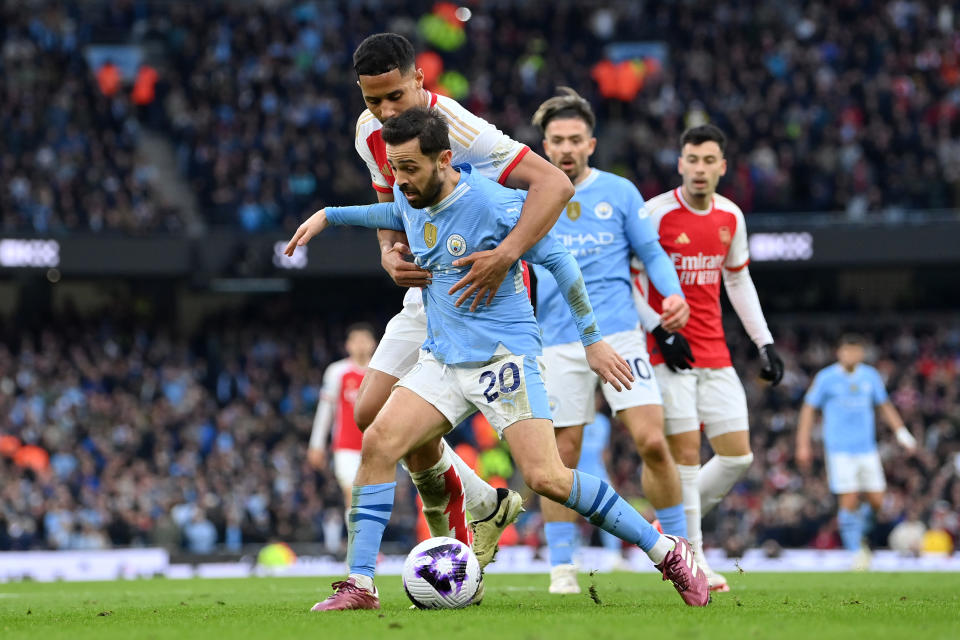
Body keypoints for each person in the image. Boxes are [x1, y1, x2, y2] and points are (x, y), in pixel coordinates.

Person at [287, 107, 709, 611]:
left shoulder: (495, 204)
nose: (400, 181)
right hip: (443, 360)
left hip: (503, 359)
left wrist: (592, 339)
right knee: (377, 439)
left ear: (445, 160)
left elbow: (559, 260)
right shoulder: (410, 192)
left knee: (547, 477)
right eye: (394, 169)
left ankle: (667, 552)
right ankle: (361, 584)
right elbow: (389, 212)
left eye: (410, 169)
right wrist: (329, 216)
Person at [346, 33, 575, 565]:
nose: (383, 111)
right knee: (370, 413)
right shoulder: (368, 133)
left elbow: (554, 184)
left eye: (394, 97)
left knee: (403, 431)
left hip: (478, 289)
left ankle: (465, 521)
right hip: (428, 287)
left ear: (420, 80)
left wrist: (506, 253)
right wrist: (387, 253)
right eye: (371, 100)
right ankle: (482, 501)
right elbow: (389, 201)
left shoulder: (460, 129)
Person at [529, 88, 692, 594]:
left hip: (620, 333)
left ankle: (684, 551)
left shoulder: (620, 194)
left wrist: (673, 295)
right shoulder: (528, 195)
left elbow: (654, 254)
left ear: (592, 143)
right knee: (562, 453)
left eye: (576, 139)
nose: (567, 149)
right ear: (545, 145)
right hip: (556, 339)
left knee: (651, 442)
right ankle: (562, 566)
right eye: (557, 141)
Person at [632, 124, 785, 592]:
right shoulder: (655, 214)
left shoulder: (731, 217)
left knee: (737, 455)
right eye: (692, 160)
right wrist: (659, 327)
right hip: (666, 351)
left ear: (722, 166)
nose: (700, 169)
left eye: (708, 161)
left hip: (715, 349)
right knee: (686, 456)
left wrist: (764, 342)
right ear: (680, 164)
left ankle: (668, 526)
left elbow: (737, 281)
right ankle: (694, 558)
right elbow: (632, 279)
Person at [796, 334, 917, 570]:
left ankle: (860, 536)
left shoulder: (870, 376)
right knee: (849, 498)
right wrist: (803, 444)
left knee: (878, 501)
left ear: (862, 353)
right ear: (838, 353)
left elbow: (885, 406)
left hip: (867, 449)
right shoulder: (826, 378)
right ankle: (856, 552)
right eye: (846, 351)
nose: (850, 355)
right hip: (839, 450)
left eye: (855, 351)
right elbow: (808, 409)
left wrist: (903, 434)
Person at [307, 323, 378, 538]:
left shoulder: (381, 373)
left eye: (364, 340)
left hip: (376, 446)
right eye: (355, 340)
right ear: (348, 345)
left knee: (371, 499)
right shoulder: (337, 372)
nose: (360, 345)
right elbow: (325, 409)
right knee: (353, 494)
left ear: (373, 344)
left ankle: (366, 548)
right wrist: (316, 445)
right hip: (346, 446)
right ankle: (358, 552)